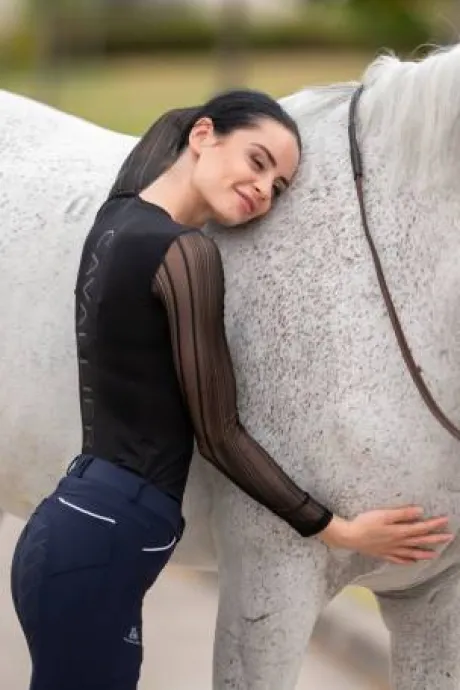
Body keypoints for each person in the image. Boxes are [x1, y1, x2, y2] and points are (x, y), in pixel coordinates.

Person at [10, 89, 452, 690]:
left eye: (279, 186)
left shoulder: (116, 219)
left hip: (69, 531)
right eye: (257, 161)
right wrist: (339, 530)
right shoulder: (185, 253)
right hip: (100, 546)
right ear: (202, 135)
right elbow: (218, 433)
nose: (263, 190)